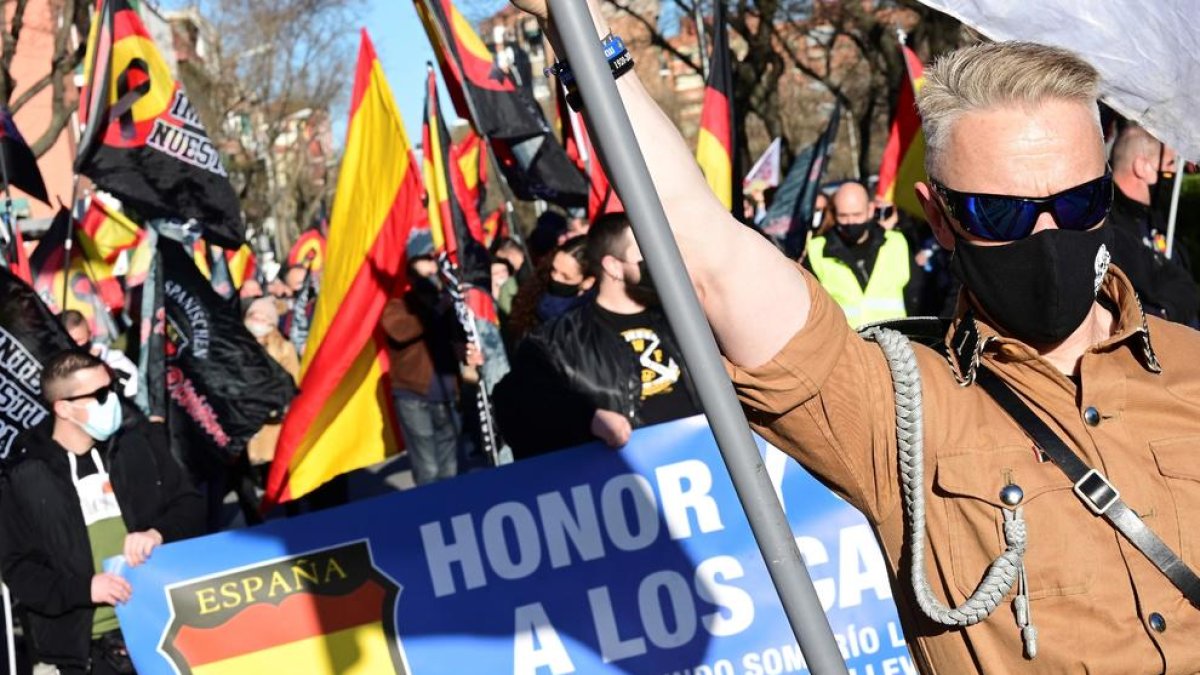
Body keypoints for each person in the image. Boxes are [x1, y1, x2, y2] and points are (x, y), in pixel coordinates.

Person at [508, 5, 1200, 667]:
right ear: (940, 218)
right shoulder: (893, 410)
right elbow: (704, 250)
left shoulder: (1192, 364)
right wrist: (586, 31)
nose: (1049, 234)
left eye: (1078, 201)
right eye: (1001, 212)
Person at [0, 350, 202, 674]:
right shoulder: (23, 477)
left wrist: (157, 533)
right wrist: (85, 589)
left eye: (113, 389)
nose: (113, 402)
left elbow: (191, 505)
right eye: (100, 395)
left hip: (165, 625)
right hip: (85, 652)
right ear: (63, 408)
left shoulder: (139, 444)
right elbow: (19, 569)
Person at [495, 213, 699, 457]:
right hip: (628, 481)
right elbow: (513, 408)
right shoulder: (556, 341)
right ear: (613, 266)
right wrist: (586, 419)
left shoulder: (683, 318)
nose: (656, 260)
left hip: (706, 467)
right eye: (644, 253)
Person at [380, 254, 473, 485]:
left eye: (434, 275)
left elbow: (460, 338)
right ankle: (431, 513)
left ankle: (451, 511)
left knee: (450, 465)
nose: (430, 281)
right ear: (411, 279)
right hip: (413, 396)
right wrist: (433, 312)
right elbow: (400, 332)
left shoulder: (447, 304)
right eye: (424, 276)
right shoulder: (398, 306)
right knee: (428, 467)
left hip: (447, 394)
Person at [1106, 124, 1199, 324]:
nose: (1175, 172)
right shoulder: (1108, 225)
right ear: (1142, 167)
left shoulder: (1155, 220)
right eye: (1170, 163)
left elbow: (1185, 284)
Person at [804, 183, 919, 325]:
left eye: (857, 215)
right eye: (843, 216)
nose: (850, 222)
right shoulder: (817, 249)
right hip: (844, 343)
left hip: (894, 341)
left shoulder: (896, 242)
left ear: (870, 210)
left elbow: (916, 297)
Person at [505, 235, 594, 345]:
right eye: (554, 270)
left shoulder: (586, 323)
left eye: (565, 277)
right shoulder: (534, 292)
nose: (555, 278)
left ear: (587, 282)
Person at [243, 297, 300, 467]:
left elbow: (293, 380)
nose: (257, 322)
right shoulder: (239, 345)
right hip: (243, 417)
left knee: (269, 468)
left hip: (271, 420)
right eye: (254, 317)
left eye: (263, 318)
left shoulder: (284, 348)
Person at [61, 310, 138, 399]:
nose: (77, 346)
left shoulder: (115, 361)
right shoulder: (62, 377)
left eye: (79, 340)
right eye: (72, 343)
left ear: (89, 334)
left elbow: (135, 391)